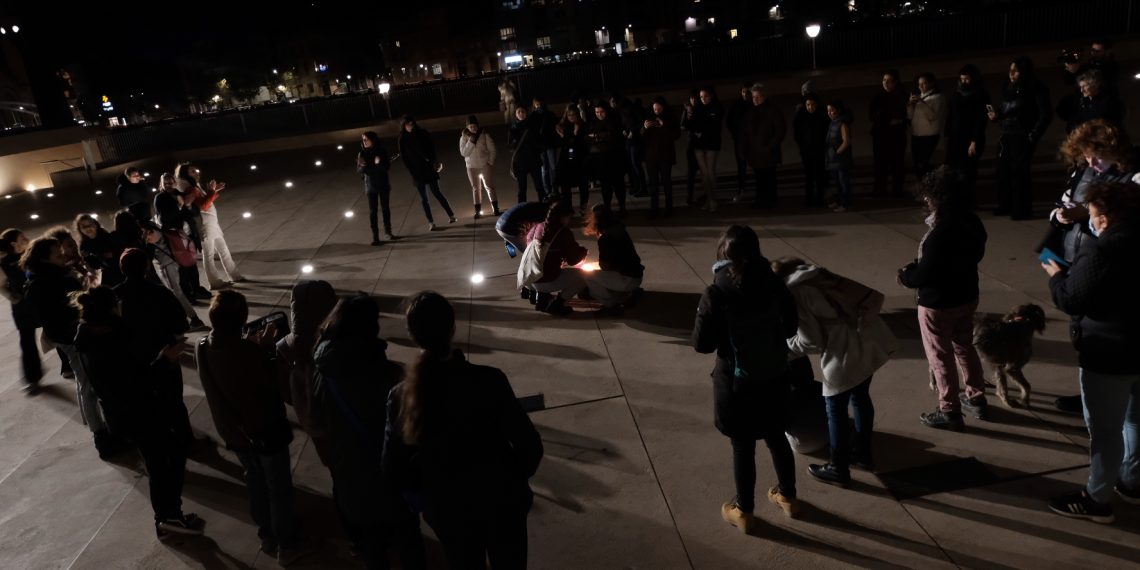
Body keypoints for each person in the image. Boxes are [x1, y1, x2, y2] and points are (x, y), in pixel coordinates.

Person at [384, 291, 543, 569]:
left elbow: (393, 467)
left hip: (448, 510)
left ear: (412, 334)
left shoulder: (401, 396)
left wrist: (429, 488)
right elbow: (529, 445)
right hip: (501, 503)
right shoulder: (489, 380)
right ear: (452, 328)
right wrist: (512, 479)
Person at [692, 225, 801, 534]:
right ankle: (789, 497)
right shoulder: (775, 284)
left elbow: (702, 344)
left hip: (737, 385)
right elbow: (792, 329)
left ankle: (744, 510)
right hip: (775, 376)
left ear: (723, 255)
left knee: (743, 447)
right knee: (776, 436)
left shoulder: (716, 291)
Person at [1042, 182, 1140, 524]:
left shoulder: (1103, 250)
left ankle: (1098, 498)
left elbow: (1072, 298)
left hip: (1109, 352)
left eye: (1095, 216)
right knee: (1135, 421)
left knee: (1105, 431)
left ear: (1109, 217)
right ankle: (1132, 481)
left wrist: (1056, 277)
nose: (1093, 222)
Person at [72, 286, 202, 538]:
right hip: (137, 413)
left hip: (128, 412)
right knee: (164, 462)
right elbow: (133, 382)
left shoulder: (93, 336)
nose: (121, 306)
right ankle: (167, 518)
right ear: (110, 309)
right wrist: (164, 361)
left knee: (165, 460)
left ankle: (169, 515)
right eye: (117, 303)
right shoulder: (105, 345)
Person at [313, 294, 427, 569]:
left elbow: (317, 422)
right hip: (390, 479)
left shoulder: (321, 371)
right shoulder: (388, 376)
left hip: (350, 479)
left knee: (372, 547)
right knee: (409, 544)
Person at [196, 290, 309, 565]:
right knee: (278, 486)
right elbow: (278, 387)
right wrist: (269, 350)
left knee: (255, 482)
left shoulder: (204, 346)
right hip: (264, 429)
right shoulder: (248, 352)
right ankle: (287, 543)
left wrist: (252, 346)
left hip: (234, 431)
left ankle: (266, 534)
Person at [772, 258, 897, 486]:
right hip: (866, 339)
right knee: (860, 398)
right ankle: (863, 453)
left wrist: (784, 349)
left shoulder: (794, 293)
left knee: (835, 409)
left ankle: (838, 468)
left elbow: (812, 341)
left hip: (843, 351)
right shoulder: (817, 276)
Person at [1047, 120, 1136, 415]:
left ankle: (1107, 396)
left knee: (1107, 328)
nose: (1090, 162)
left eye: (1095, 155)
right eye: (1085, 156)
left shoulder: (1133, 177)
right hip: (1081, 257)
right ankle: (1090, 391)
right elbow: (1060, 202)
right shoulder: (1084, 171)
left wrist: (1086, 213)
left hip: (1112, 263)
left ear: (1115, 149)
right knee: (1081, 327)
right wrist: (1059, 216)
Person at [898, 166, 989, 431]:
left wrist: (906, 275)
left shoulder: (939, 234)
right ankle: (977, 397)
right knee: (964, 346)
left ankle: (949, 409)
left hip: (938, 304)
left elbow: (925, 274)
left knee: (940, 355)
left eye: (929, 196)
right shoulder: (972, 223)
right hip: (967, 295)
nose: (926, 200)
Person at [21, 237, 120, 456]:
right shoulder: (46, 282)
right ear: (44, 258)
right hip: (71, 339)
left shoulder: (52, 276)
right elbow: (52, 314)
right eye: (57, 254)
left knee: (86, 382)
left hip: (69, 335)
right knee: (88, 385)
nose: (63, 255)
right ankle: (101, 437)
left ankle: (102, 428)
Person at [114, 248, 197, 452]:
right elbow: (180, 325)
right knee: (174, 400)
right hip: (164, 353)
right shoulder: (159, 292)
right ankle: (185, 440)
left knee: (147, 402)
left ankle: (163, 440)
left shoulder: (115, 295)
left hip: (133, 357)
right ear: (146, 266)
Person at [276, 280, 338, 467]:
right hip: (349, 422)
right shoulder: (343, 338)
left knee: (334, 467)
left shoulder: (285, 346)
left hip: (315, 423)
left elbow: (287, 394)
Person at [989, 56, 1051, 220]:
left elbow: (1045, 114)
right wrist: (997, 116)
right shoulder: (1010, 88)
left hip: (1023, 135)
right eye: (1010, 70)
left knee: (1019, 173)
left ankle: (1021, 209)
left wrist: (1033, 135)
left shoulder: (1036, 88)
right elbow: (1005, 109)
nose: (1011, 74)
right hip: (1007, 134)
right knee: (1003, 171)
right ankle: (1005, 205)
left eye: (1015, 71)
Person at [181, 165, 243, 289]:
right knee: (208, 255)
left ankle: (235, 275)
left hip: (212, 223)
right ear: (186, 175)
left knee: (223, 250)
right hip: (205, 225)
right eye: (192, 171)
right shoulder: (190, 189)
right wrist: (211, 191)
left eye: (196, 170)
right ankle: (214, 282)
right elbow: (203, 206)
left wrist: (214, 191)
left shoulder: (196, 187)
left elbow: (206, 201)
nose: (196, 172)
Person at [527, 201, 588, 316]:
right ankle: (557, 305)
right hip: (546, 279)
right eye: (569, 218)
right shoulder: (563, 232)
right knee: (584, 276)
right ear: (563, 217)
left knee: (547, 269)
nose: (570, 221)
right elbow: (573, 260)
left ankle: (541, 299)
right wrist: (583, 252)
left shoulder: (538, 226)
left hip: (530, 277)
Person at [142, 220, 206, 328]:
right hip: (173, 262)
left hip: (166, 265)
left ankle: (194, 319)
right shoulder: (155, 227)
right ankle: (192, 319)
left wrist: (143, 240)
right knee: (177, 292)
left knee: (176, 293)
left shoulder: (149, 234)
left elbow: (148, 251)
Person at [398, 115, 457, 231]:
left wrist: (434, 161)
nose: (410, 126)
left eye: (411, 124)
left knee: (437, 192)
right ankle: (431, 222)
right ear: (403, 126)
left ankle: (451, 215)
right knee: (423, 198)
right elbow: (405, 159)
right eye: (407, 125)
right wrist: (412, 173)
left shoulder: (422, 133)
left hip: (428, 168)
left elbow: (431, 148)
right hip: (417, 172)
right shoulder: (402, 139)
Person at [0, 229, 42, 391]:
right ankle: (33, 378)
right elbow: (1, 285)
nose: (26, 238)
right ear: (13, 244)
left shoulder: (32, 254)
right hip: (23, 307)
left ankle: (68, 366)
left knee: (55, 332)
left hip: (40, 301)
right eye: (22, 238)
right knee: (27, 341)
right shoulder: (4, 263)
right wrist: (13, 298)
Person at [583, 204, 644, 315]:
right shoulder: (619, 228)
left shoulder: (605, 237)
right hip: (636, 276)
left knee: (586, 275)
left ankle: (610, 305)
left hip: (627, 280)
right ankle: (625, 294)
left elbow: (605, 266)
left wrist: (595, 267)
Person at [944, 65, 990, 205]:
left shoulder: (981, 95)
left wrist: (974, 140)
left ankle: (968, 200)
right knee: (953, 170)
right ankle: (956, 199)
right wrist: (947, 135)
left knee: (968, 171)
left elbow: (981, 120)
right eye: (962, 79)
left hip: (970, 139)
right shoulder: (957, 93)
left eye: (967, 79)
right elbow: (951, 115)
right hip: (955, 138)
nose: (963, 82)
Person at [738, 83, 787, 209]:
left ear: (764, 96)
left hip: (768, 151)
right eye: (754, 97)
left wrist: (770, 145)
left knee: (769, 176)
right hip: (755, 152)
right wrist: (745, 148)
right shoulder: (750, 112)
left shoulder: (772, 110)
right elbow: (745, 132)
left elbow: (780, 129)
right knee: (759, 177)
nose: (756, 99)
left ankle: (770, 200)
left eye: (758, 96)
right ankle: (760, 200)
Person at [869, 69, 909, 197]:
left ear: (895, 82)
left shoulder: (902, 95)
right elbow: (872, 116)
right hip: (880, 136)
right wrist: (888, 119)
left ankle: (897, 191)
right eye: (884, 80)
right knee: (880, 164)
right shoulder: (877, 97)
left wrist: (885, 118)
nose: (886, 83)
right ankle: (880, 190)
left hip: (897, 135)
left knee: (898, 164)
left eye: (889, 80)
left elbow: (903, 116)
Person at [641, 96, 682, 218]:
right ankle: (654, 209)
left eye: (659, 109)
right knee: (653, 184)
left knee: (666, 183)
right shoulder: (649, 118)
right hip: (651, 157)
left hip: (665, 156)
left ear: (663, 108)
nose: (656, 111)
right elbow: (642, 138)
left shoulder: (670, 118)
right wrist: (644, 128)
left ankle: (669, 208)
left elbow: (676, 135)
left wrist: (664, 125)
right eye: (655, 109)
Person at [586, 100, 628, 214]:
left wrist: (597, 137)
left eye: (601, 112)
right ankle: (608, 207)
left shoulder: (613, 121)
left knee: (618, 185)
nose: (599, 114)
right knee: (605, 187)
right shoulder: (593, 123)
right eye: (597, 112)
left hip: (615, 159)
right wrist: (599, 137)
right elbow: (588, 138)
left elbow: (613, 136)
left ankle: (622, 207)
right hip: (601, 161)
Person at [686, 87, 723, 211]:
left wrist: (701, 131)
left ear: (711, 96)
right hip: (699, 144)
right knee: (704, 174)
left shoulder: (716, 107)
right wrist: (689, 115)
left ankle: (713, 200)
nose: (703, 99)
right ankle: (709, 199)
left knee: (710, 173)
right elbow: (689, 125)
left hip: (711, 143)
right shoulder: (698, 108)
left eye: (705, 96)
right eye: (701, 97)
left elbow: (715, 126)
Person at [356, 131, 396, 245]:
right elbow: (359, 170)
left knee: (385, 209)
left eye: (366, 139)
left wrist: (378, 164)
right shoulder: (361, 153)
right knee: (373, 211)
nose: (364, 141)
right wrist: (363, 165)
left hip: (383, 185)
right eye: (363, 139)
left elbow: (387, 167)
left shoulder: (381, 151)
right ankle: (375, 237)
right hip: (370, 186)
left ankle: (388, 232)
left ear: (373, 140)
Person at [458, 115, 500, 219]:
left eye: (474, 126)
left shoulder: (484, 135)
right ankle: (478, 211)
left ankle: (495, 208)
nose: (473, 128)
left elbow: (492, 149)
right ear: (467, 127)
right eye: (470, 126)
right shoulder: (463, 138)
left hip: (484, 165)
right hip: (471, 167)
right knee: (476, 189)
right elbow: (464, 153)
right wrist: (470, 141)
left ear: (477, 125)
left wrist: (489, 162)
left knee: (489, 186)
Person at [793, 92, 830, 208]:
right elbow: (797, 133)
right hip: (807, 151)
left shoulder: (822, 116)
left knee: (820, 176)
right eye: (808, 105)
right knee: (808, 176)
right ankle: (809, 198)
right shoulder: (801, 116)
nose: (810, 107)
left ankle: (819, 198)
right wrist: (802, 146)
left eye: (812, 105)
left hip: (819, 150)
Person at [1056, 70, 1124, 133]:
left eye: (1084, 86)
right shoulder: (1082, 101)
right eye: (1080, 87)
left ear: (1096, 84)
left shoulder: (1109, 101)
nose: (1081, 90)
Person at [907, 72, 946, 180]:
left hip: (929, 135)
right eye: (919, 84)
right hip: (916, 134)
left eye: (924, 83)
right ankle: (922, 186)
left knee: (922, 163)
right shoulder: (920, 97)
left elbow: (932, 116)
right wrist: (910, 104)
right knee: (916, 163)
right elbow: (910, 116)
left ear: (931, 83)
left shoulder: (938, 97)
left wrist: (921, 102)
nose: (920, 86)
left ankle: (929, 185)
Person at [554, 106, 590, 216]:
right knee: (565, 186)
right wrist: (564, 136)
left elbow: (582, 143)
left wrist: (575, 134)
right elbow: (564, 144)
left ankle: (583, 207)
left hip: (580, 159)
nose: (571, 117)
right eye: (569, 114)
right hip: (566, 159)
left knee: (583, 185)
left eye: (574, 114)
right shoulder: (563, 126)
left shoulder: (582, 125)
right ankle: (568, 208)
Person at [75, 214, 125, 289]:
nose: (88, 228)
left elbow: (120, 252)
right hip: (104, 277)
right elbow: (91, 266)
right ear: (80, 229)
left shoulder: (107, 237)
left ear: (95, 224)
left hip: (120, 272)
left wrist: (113, 254)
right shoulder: (84, 245)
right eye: (84, 227)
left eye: (90, 224)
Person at [510, 106, 548, 204]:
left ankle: (543, 207)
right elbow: (510, 146)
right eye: (519, 112)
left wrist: (533, 145)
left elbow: (540, 142)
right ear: (515, 114)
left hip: (533, 160)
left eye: (523, 111)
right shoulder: (513, 128)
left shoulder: (532, 126)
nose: (521, 114)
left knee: (539, 186)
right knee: (522, 189)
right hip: (520, 162)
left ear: (526, 113)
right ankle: (521, 209)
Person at [825, 101, 855, 212]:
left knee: (844, 182)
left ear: (838, 110)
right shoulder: (833, 122)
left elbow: (846, 141)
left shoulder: (842, 123)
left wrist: (837, 152)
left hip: (841, 158)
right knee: (838, 182)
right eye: (828, 110)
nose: (830, 113)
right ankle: (840, 201)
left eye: (832, 110)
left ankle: (846, 203)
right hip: (834, 158)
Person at [726, 83, 753, 200]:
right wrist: (735, 135)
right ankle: (742, 189)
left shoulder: (754, 103)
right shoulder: (737, 105)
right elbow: (730, 121)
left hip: (752, 139)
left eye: (747, 92)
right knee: (741, 166)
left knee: (757, 164)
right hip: (740, 139)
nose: (745, 94)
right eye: (743, 92)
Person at [532, 96, 561, 197]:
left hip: (550, 144)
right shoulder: (533, 116)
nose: (539, 106)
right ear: (534, 105)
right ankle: (547, 190)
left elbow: (557, 126)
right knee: (545, 169)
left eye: (540, 104)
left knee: (553, 167)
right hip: (541, 147)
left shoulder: (549, 114)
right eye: (537, 104)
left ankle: (554, 188)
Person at [680, 89, 703, 207]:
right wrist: (688, 115)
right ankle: (689, 195)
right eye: (692, 98)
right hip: (692, 144)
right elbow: (682, 126)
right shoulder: (687, 110)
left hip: (702, 143)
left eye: (696, 98)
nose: (694, 100)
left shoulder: (701, 109)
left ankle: (706, 194)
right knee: (691, 172)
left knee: (704, 170)